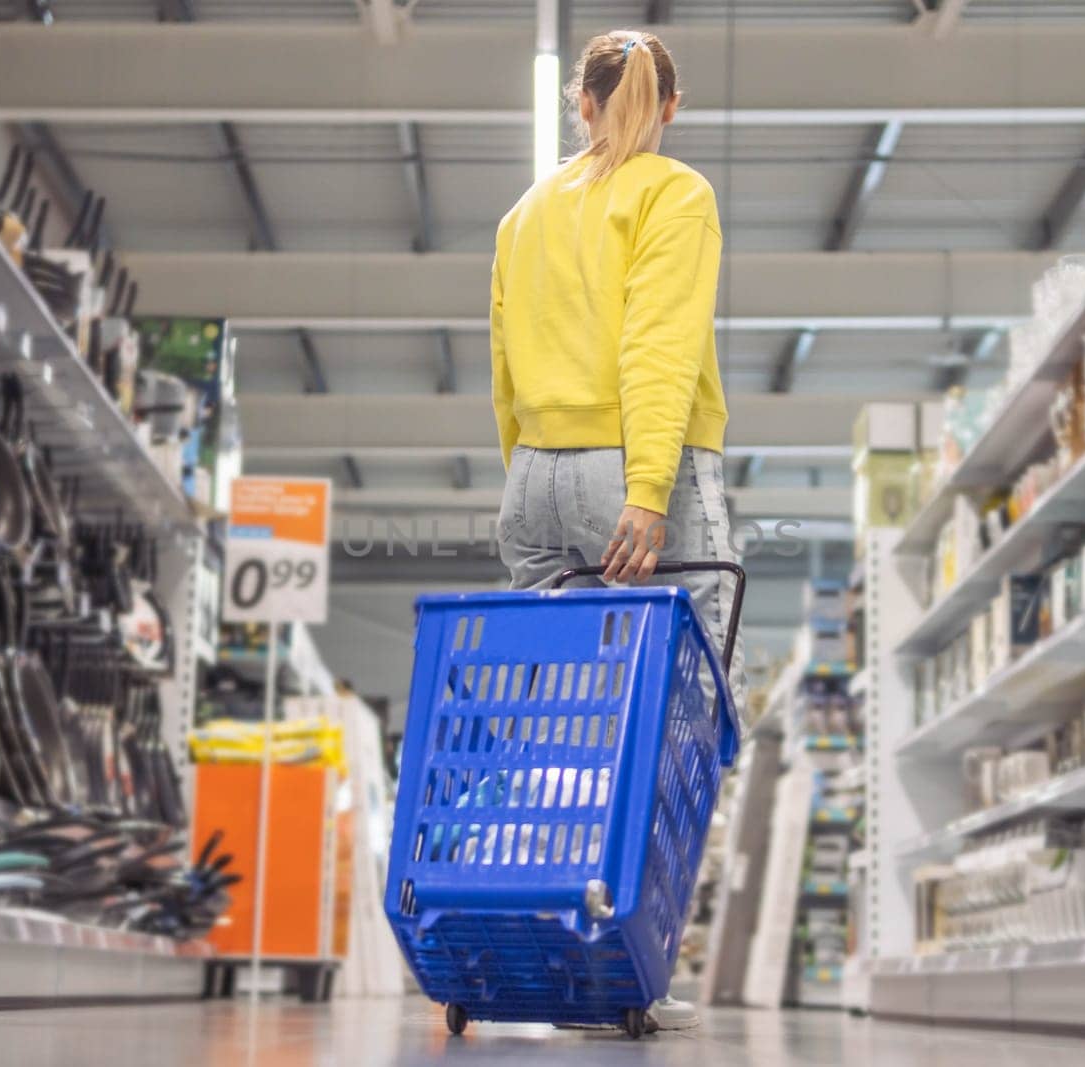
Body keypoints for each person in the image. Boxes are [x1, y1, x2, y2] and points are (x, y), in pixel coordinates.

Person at [489, 28, 738, 1033]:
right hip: (634, 477)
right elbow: (658, 343)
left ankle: (552, 955)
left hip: (533, 482)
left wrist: (529, 475)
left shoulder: (523, 212)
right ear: (667, 107)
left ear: (578, 106)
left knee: (559, 730)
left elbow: (503, 367)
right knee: (683, 721)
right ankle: (627, 968)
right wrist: (641, 488)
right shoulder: (673, 195)